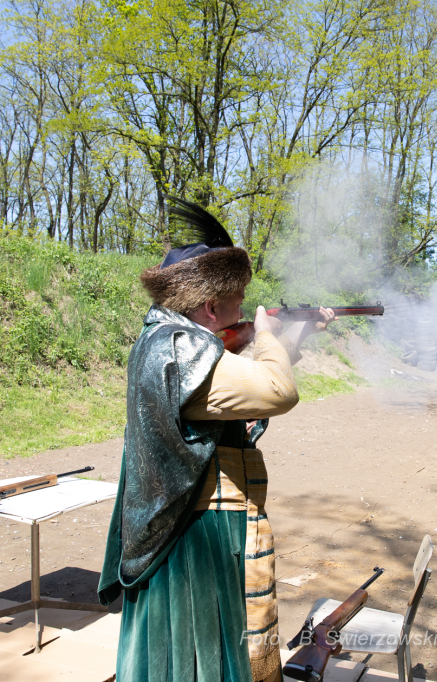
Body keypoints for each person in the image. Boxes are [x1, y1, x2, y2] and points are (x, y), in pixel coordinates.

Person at [98, 198, 335, 682]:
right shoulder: (182, 348)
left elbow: (247, 389)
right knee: (194, 659)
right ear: (210, 306)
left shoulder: (170, 339)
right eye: (237, 301)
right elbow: (275, 389)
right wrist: (267, 334)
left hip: (188, 523)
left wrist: (297, 334)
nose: (243, 311)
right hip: (191, 538)